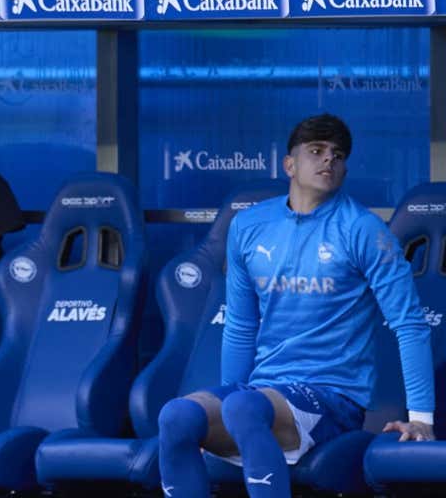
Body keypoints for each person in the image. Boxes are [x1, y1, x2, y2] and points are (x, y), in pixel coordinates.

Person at [156, 114, 435, 498]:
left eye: (337, 155)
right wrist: (228, 395)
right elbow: (240, 324)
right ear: (290, 164)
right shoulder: (249, 226)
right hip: (263, 393)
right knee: (177, 416)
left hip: (334, 397)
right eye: (316, 151)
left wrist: (422, 420)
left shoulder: (363, 230)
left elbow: (410, 325)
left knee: (243, 408)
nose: (328, 161)